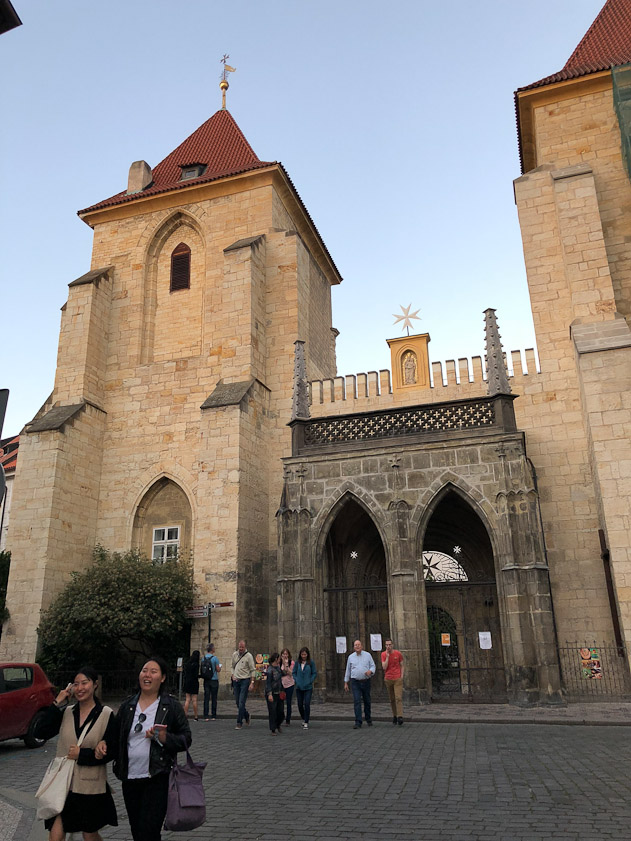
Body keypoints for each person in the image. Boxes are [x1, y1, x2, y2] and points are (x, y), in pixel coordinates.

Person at [35, 666, 117, 841]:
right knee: (56, 834)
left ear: (95, 685)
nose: (80, 688)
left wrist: (83, 754)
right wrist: (57, 703)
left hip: (90, 787)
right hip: (63, 785)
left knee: (90, 835)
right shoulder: (66, 712)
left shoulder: (106, 714)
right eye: (76, 684)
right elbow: (40, 732)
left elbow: (112, 751)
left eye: (84, 683)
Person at [113, 656, 191, 841]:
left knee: (148, 831)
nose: (147, 675)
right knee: (137, 831)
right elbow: (115, 737)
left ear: (162, 678)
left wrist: (165, 738)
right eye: (144, 671)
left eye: (153, 672)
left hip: (158, 776)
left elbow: (186, 738)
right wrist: (102, 745)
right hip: (130, 778)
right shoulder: (128, 706)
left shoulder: (170, 706)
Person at [344, 639, 376, 729]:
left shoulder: (368, 655)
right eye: (355, 645)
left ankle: (368, 718)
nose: (357, 646)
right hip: (355, 682)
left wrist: (370, 671)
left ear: (362, 646)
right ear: (354, 647)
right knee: (357, 701)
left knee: (367, 700)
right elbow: (348, 670)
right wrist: (346, 682)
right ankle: (358, 721)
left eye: (358, 645)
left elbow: (373, 666)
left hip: (366, 681)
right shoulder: (351, 657)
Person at [231, 639, 256, 730]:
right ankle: (246, 715)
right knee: (238, 702)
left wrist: (252, 682)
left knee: (242, 702)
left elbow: (253, 670)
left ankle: (239, 722)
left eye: (242, 647)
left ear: (245, 647)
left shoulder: (249, 656)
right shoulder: (234, 655)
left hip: (245, 680)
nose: (241, 649)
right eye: (240, 647)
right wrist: (233, 674)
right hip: (236, 680)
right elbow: (232, 666)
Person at [292, 646, 317, 730]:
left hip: (308, 687)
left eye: (305, 654)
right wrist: (296, 680)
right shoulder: (297, 663)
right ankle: (304, 716)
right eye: (302, 654)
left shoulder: (311, 663)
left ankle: (306, 721)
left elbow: (314, 673)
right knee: (300, 704)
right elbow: (294, 672)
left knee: (307, 703)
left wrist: (310, 680)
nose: (303, 656)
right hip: (299, 687)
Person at [381, 638, 405, 725]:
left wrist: (401, 676)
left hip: (397, 678)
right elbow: (384, 667)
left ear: (392, 645)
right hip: (388, 678)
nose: (388, 647)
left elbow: (402, 664)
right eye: (386, 645)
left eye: (389, 645)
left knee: (398, 697)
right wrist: (387, 657)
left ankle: (400, 716)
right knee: (392, 699)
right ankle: (394, 715)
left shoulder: (398, 653)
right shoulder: (383, 654)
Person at [265, 652, 285, 735]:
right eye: (279, 658)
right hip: (272, 693)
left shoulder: (278, 668)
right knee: (272, 712)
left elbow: (284, 674)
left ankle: (278, 724)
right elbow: (268, 683)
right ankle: (273, 729)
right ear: (276, 659)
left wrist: (285, 664)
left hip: (279, 692)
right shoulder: (270, 670)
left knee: (281, 712)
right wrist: (269, 694)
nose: (280, 660)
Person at [200, 643, 221, 721]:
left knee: (206, 697)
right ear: (212, 649)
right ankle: (213, 715)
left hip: (206, 680)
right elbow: (218, 669)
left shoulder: (203, 658)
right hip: (214, 680)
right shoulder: (215, 658)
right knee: (214, 698)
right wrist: (219, 668)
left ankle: (205, 715)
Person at [182, 649, 201, 721]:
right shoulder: (196, 664)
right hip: (194, 682)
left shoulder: (188, 663)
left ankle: (185, 715)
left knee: (187, 700)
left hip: (187, 682)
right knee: (194, 700)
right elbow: (195, 675)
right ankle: (196, 716)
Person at [280, 647, 295, 726]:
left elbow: (290, 673)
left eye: (286, 654)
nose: (285, 655)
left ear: (288, 655)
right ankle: (281, 717)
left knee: (288, 702)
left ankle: (288, 720)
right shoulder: (279, 663)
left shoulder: (291, 662)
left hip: (290, 685)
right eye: (283, 654)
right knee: (280, 702)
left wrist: (286, 665)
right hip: (281, 685)